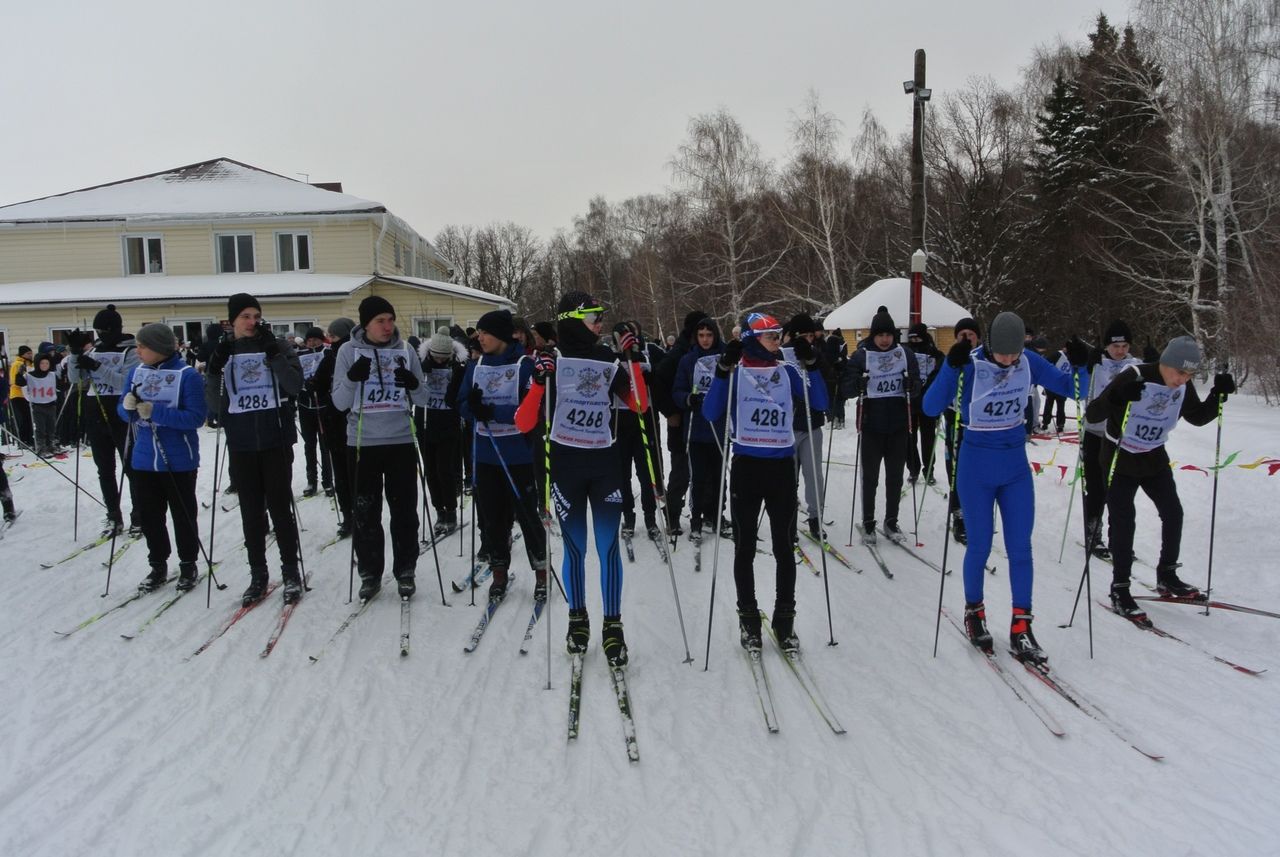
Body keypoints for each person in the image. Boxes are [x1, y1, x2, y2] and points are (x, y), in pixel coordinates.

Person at [922, 311, 1089, 664]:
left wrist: (1082, 364)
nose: (1009, 361)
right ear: (989, 345)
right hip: (975, 467)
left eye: (1015, 354)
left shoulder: (1028, 361)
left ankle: (1021, 627)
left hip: (1014, 468)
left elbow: (1076, 389)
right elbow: (930, 406)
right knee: (980, 545)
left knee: (1020, 549)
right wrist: (950, 368)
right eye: (1003, 355)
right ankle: (975, 614)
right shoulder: (968, 364)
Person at [514, 291, 643, 667]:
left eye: (601, 315)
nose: (600, 323)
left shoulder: (606, 358)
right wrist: (538, 383)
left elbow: (639, 405)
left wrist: (631, 360)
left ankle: (613, 626)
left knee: (607, 548)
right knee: (575, 549)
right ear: (572, 319)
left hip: (605, 465)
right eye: (593, 317)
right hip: (566, 466)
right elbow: (522, 423)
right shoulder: (550, 360)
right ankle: (578, 619)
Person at [702, 312, 828, 652]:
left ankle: (784, 621)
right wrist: (722, 372)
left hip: (781, 469)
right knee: (744, 548)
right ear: (751, 338)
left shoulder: (787, 370)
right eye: (769, 336)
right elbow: (710, 412)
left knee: (784, 548)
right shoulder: (737, 371)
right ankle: (749, 622)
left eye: (777, 335)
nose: (776, 340)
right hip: (747, 467)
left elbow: (821, 404)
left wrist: (812, 364)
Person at [1085, 336, 1233, 618]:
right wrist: (1118, 397)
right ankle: (1120, 587)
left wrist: (1218, 396)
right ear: (1166, 363)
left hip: (1153, 457)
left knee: (1173, 512)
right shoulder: (1136, 375)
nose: (1182, 380)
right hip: (1120, 455)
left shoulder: (1182, 385)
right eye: (1180, 373)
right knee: (1124, 521)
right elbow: (1093, 413)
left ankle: (1167, 574)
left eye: (1189, 375)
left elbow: (1198, 417)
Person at [204, 293, 306, 606]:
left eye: (256, 315)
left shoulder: (276, 344)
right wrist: (213, 369)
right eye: (245, 316)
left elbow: (294, 386)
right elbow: (215, 406)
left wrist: (275, 355)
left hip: (275, 438)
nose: (252, 322)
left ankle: (290, 571)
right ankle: (258, 573)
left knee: (280, 507)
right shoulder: (225, 350)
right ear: (232, 320)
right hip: (242, 442)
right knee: (251, 512)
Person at [330, 296, 431, 601]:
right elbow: (339, 402)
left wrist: (413, 383)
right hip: (363, 442)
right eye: (380, 321)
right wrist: (352, 379)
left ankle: (405, 569)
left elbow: (424, 399)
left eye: (390, 319)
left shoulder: (405, 350)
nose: (388, 326)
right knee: (365, 512)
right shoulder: (348, 351)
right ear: (365, 324)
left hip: (400, 440)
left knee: (404, 511)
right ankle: (370, 572)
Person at [457, 310, 548, 601]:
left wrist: (492, 411)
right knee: (493, 519)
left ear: (501, 334)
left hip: (517, 454)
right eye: (479, 333)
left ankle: (541, 570)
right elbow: (461, 403)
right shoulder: (476, 365)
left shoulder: (524, 365)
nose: (480, 338)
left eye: (486, 332)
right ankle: (499, 570)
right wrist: (472, 408)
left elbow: (531, 410)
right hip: (485, 454)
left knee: (526, 514)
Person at [118, 324, 207, 593]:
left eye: (143, 346)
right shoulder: (136, 372)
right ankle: (157, 564)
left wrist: (155, 412)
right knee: (150, 516)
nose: (138, 350)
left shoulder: (187, 374)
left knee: (182, 514)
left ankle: (188, 563)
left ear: (158, 347)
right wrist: (127, 408)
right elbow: (124, 411)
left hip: (179, 458)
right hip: (144, 458)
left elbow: (195, 418)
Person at [67, 305, 143, 537]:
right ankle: (113, 515)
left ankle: (139, 515)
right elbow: (75, 379)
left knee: (131, 468)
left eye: (105, 330)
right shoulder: (94, 351)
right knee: (105, 469)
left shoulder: (131, 352)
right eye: (97, 331)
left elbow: (125, 384)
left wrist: (98, 368)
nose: (101, 335)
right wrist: (74, 354)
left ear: (117, 329)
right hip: (96, 412)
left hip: (121, 414)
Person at [847, 308, 920, 544]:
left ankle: (891, 521)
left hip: (898, 426)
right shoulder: (862, 356)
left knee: (895, 477)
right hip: (871, 426)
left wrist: (911, 384)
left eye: (889, 335)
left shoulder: (905, 354)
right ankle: (868, 522)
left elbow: (917, 385)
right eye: (880, 335)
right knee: (870, 477)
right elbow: (845, 387)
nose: (885, 339)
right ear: (873, 335)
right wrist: (858, 383)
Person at [1079, 320, 1140, 560]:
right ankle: (1093, 532)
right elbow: (1077, 380)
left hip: (1120, 435)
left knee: (1118, 490)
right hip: (1095, 432)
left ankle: (1120, 539)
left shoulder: (1134, 366)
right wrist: (1086, 364)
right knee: (1096, 486)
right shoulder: (1097, 363)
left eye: (1125, 346)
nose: (1120, 351)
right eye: (1116, 346)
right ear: (1107, 346)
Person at [652, 310, 708, 537]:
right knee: (682, 472)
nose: (705, 337)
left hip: (703, 422)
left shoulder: (708, 350)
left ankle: (711, 512)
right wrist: (669, 412)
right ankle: (672, 514)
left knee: (708, 471)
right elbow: (657, 383)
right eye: (701, 331)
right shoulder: (678, 353)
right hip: (681, 422)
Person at [672, 316, 727, 540]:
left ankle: (716, 516)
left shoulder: (724, 357)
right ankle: (695, 518)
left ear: (715, 335)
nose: (705, 340)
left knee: (719, 477)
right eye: (701, 335)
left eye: (709, 335)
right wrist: (688, 399)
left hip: (720, 426)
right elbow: (677, 391)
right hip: (696, 429)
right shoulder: (688, 360)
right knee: (699, 477)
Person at [783, 313, 835, 540]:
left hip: (811, 424)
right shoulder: (781, 356)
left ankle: (815, 517)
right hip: (788, 427)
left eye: (810, 336)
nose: (807, 340)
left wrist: (814, 362)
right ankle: (788, 518)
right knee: (787, 475)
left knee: (814, 474)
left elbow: (830, 381)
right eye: (801, 336)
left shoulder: (816, 354)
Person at [310, 318, 357, 538]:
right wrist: (310, 385)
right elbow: (317, 383)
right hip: (335, 425)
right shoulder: (329, 359)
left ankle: (360, 513)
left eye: (336, 337)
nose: (332, 342)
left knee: (356, 473)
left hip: (356, 425)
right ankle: (348, 515)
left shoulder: (356, 354)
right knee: (341, 473)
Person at [417, 327, 465, 538]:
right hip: (426, 422)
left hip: (448, 423)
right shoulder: (422, 364)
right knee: (430, 470)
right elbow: (414, 388)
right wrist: (422, 371)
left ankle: (451, 510)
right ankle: (439, 510)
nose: (438, 361)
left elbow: (459, 394)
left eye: (442, 357)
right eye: (435, 356)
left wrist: (456, 375)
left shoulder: (457, 366)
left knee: (444, 469)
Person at [941, 318, 981, 545]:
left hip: (978, 421)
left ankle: (973, 507)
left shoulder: (986, 359)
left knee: (974, 467)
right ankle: (959, 512)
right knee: (955, 464)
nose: (966, 338)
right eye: (962, 334)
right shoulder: (953, 357)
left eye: (971, 334)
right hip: (954, 416)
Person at [295, 327, 333, 498]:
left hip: (323, 406)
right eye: (310, 340)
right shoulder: (300, 355)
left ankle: (328, 481)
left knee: (326, 446)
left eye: (316, 339)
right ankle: (312, 480)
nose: (312, 342)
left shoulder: (327, 353)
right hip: (305, 405)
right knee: (309, 445)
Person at [906, 323, 944, 485]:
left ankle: (929, 470)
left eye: (917, 337)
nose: (915, 341)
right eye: (911, 338)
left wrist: (930, 386)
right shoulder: (906, 353)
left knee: (928, 439)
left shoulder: (934, 353)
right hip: (910, 403)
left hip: (928, 402)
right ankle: (913, 470)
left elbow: (941, 374)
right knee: (910, 438)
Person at [16, 352, 59, 456]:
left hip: (51, 404)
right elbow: (20, 382)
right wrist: (19, 373)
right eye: (42, 363)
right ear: (37, 364)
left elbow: (61, 385)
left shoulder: (52, 375)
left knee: (51, 427)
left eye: (47, 363)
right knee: (40, 428)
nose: (44, 365)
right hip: (38, 405)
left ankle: (51, 445)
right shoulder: (30, 375)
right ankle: (41, 447)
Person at [8, 345, 34, 448]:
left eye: (31, 353)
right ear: (22, 354)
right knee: (22, 419)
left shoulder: (30, 364)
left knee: (28, 418)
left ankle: (29, 438)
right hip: (18, 395)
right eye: (28, 353)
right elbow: (15, 380)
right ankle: (23, 440)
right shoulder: (17, 364)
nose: (30, 355)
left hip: (27, 395)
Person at [824, 328, 849, 429]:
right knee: (839, 401)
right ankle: (840, 418)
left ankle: (832, 419)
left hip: (830, 381)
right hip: (838, 380)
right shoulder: (840, 357)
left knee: (831, 400)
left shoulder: (826, 356)